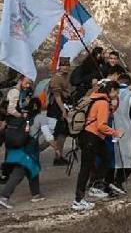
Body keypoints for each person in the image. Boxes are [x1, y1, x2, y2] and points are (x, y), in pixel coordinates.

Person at [72, 80, 123, 211]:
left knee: (106, 158)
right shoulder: (102, 102)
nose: (117, 94)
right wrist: (115, 133)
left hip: (91, 136)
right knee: (86, 168)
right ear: (110, 90)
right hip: (92, 136)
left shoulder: (96, 97)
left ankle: (95, 185)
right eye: (116, 91)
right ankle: (78, 200)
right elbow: (101, 125)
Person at [0, 76, 45, 209]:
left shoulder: (25, 93)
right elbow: (10, 110)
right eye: (27, 82)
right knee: (23, 165)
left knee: (31, 162)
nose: (28, 85)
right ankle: (4, 196)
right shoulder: (14, 92)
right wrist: (22, 115)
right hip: (19, 133)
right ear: (20, 79)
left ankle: (36, 194)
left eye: (30, 83)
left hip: (21, 132)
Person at [46, 58, 73, 165]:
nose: (65, 66)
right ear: (60, 66)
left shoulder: (65, 77)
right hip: (56, 109)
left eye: (67, 64)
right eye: (63, 65)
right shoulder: (56, 79)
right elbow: (57, 97)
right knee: (52, 133)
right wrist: (63, 111)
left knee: (62, 133)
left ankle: (59, 156)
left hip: (62, 107)